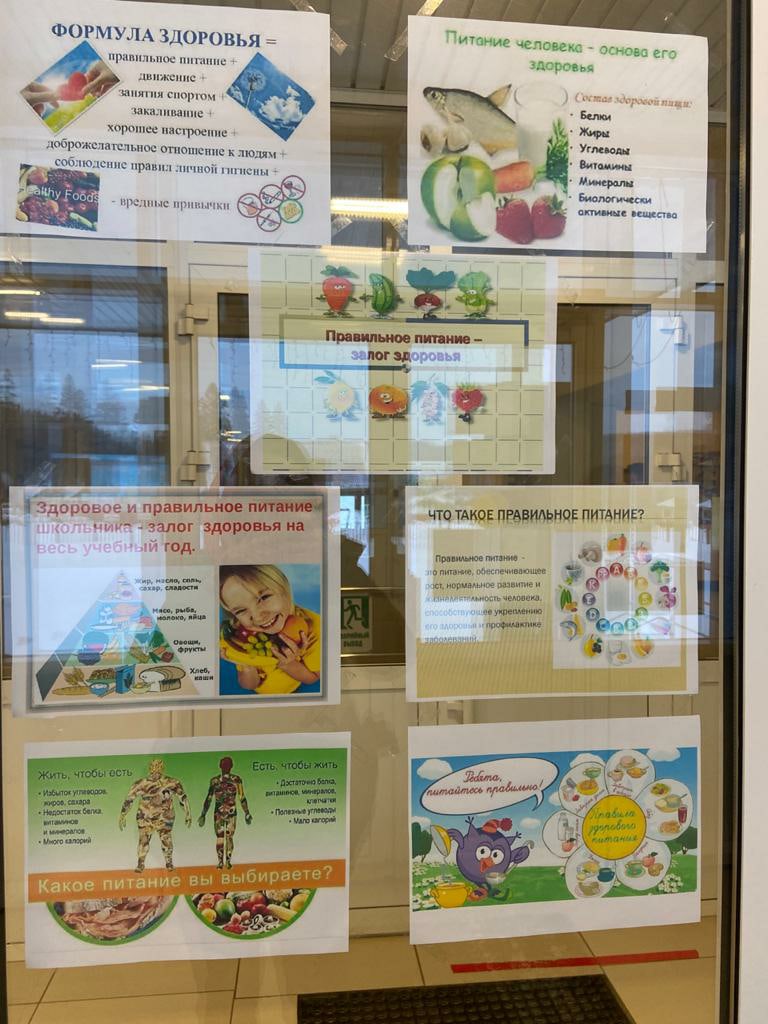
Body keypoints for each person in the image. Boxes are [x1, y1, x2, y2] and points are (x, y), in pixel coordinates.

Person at [219, 564, 321, 694]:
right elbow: (249, 685)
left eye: (263, 598)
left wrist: (288, 664)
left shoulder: (316, 628)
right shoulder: (242, 635)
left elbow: (313, 678)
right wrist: (247, 665)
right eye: (240, 610)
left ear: (284, 590)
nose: (258, 617)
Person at [118, 758, 192, 872]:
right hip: (146, 817)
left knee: (165, 839)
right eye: (154, 766)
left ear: (162, 768)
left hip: (164, 817)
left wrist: (188, 813)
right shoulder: (142, 783)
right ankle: (141, 863)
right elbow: (129, 800)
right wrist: (122, 815)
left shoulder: (171, 782)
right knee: (145, 840)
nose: (155, 769)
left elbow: (183, 798)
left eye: (158, 766)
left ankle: (168, 863)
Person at [198, 756, 252, 869]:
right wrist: (246, 812)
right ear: (231, 766)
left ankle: (222, 862)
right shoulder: (234, 780)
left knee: (222, 837)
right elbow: (241, 797)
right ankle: (226, 862)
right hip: (227, 812)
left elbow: (209, 799)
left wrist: (203, 814)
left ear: (220, 766)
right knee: (227, 837)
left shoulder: (219, 781)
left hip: (222, 812)